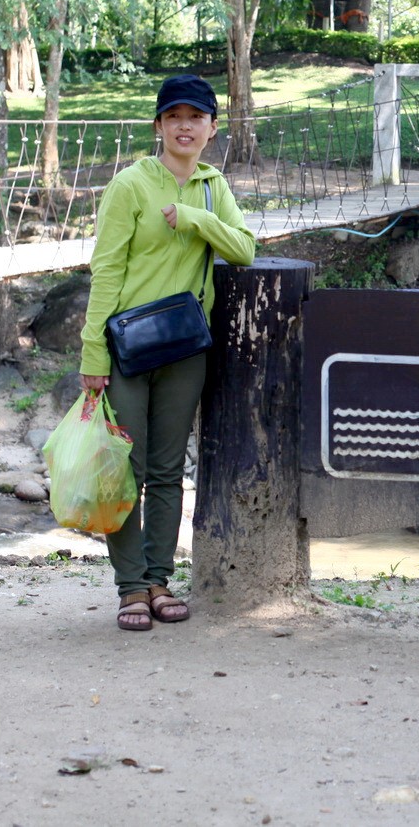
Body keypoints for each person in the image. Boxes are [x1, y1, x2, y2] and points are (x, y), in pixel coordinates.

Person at [79, 74, 257, 632]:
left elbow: (245, 249)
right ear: (158, 126)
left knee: (166, 469)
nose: (185, 126)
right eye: (174, 116)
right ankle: (131, 586)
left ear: (211, 127)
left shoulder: (212, 186)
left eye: (196, 117)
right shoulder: (131, 185)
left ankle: (159, 580)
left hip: (185, 347)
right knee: (126, 470)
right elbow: (106, 270)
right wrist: (93, 353)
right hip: (128, 348)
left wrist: (199, 220)